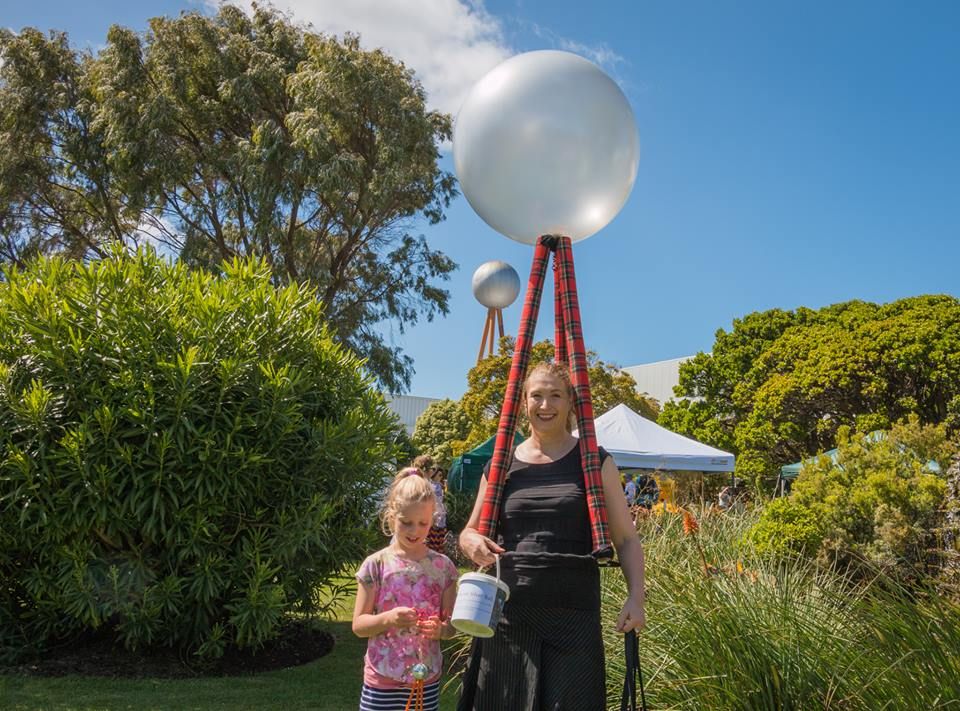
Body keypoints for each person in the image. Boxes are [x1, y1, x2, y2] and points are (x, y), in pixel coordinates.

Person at [457, 362, 646, 711]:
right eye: (537, 396)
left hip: (573, 615)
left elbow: (627, 539)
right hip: (508, 616)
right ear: (522, 402)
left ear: (571, 402)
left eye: (555, 396)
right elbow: (470, 530)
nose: (545, 406)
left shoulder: (594, 462)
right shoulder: (500, 464)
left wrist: (637, 597)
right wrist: (469, 541)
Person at [353, 469, 459, 711]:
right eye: (406, 522)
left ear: (433, 519)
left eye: (423, 523)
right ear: (391, 517)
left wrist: (442, 630)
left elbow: (452, 625)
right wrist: (389, 618)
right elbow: (359, 625)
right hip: (382, 676)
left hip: (425, 678)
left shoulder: (444, 568)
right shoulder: (375, 565)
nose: (415, 531)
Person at [412, 455, 448, 554]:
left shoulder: (426, 483)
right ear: (427, 469)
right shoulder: (423, 484)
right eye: (432, 468)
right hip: (425, 519)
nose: (433, 471)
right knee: (428, 546)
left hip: (431, 519)